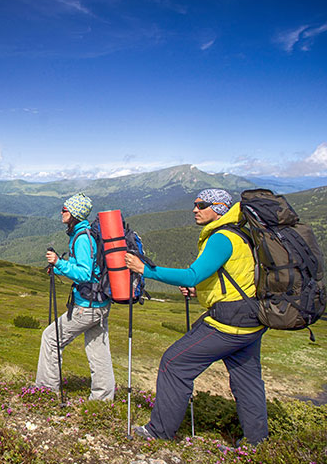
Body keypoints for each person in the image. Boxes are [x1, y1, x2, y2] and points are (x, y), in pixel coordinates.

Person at [124, 188, 268, 445]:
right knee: (247, 381)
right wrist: (197, 290)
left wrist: (144, 270)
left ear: (219, 208)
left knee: (174, 363)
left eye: (201, 205)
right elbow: (234, 276)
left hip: (228, 322)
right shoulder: (241, 233)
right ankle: (258, 444)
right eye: (194, 204)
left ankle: (159, 432)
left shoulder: (222, 238)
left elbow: (192, 274)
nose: (195, 209)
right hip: (252, 318)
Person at [35, 193, 115, 401]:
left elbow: (85, 274)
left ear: (74, 214)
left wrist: (59, 263)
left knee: (51, 338)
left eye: (64, 209)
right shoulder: (86, 234)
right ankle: (103, 399)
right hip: (100, 302)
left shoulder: (82, 238)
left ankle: (46, 391)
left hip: (86, 306)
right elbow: (89, 270)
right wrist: (59, 270)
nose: (61, 212)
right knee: (98, 349)